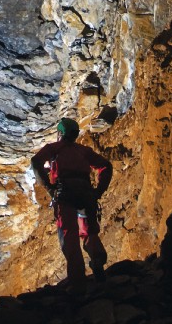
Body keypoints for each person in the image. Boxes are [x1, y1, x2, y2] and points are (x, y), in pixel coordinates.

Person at [31, 117, 112, 286]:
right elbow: (106, 166)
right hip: (86, 195)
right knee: (89, 232)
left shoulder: (54, 148)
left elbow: (35, 161)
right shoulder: (83, 150)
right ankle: (98, 262)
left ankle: (77, 282)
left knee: (70, 236)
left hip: (66, 194)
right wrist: (98, 191)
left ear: (60, 133)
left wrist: (49, 188)